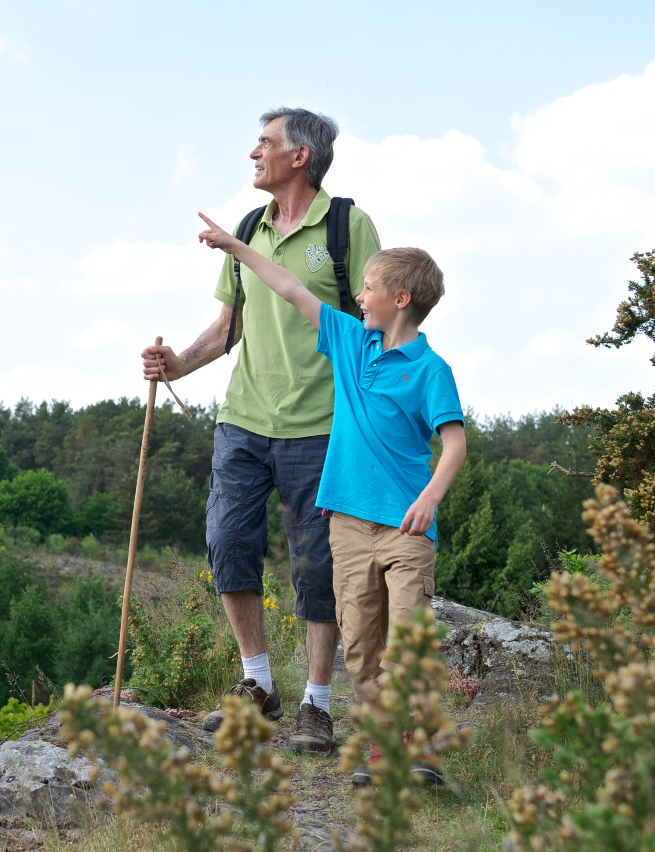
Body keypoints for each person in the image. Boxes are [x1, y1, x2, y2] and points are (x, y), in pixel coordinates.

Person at [141, 107, 381, 755]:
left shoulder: (346, 227)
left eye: (265, 143)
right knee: (227, 541)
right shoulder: (248, 228)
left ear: (299, 156)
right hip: (243, 420)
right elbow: (228, 329)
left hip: (323, 426)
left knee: (318, 564)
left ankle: (317, 704)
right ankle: (258, 685)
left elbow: (378, 326)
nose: (254, 152)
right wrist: (176, 367)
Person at [196, 215, 466, 786]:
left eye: (367, 288)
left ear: (401, 298)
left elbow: (453, 444)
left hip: (406, 530)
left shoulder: (431, 370)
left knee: (406, 639)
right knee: (363, 648)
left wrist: (429, 499)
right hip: (347, 526)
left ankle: (412, 752)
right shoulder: (348, 341)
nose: (358, 296)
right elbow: (291, 287)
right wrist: (235, 247)